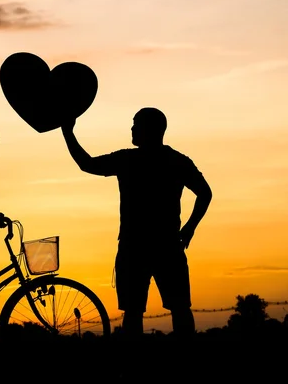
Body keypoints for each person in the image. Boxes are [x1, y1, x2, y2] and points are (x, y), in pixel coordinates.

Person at [60, 107, 212, 339]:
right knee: (178, 308)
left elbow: (87, 164)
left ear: (149, 129)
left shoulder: (128, 159)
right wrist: (189, 227)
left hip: (136, 246)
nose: (132, 128)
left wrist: (67, 132)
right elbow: (205, 193)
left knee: (135, 312)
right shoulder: (176, 161)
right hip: (166, 244)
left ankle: (132, 366)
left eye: (136, 124)